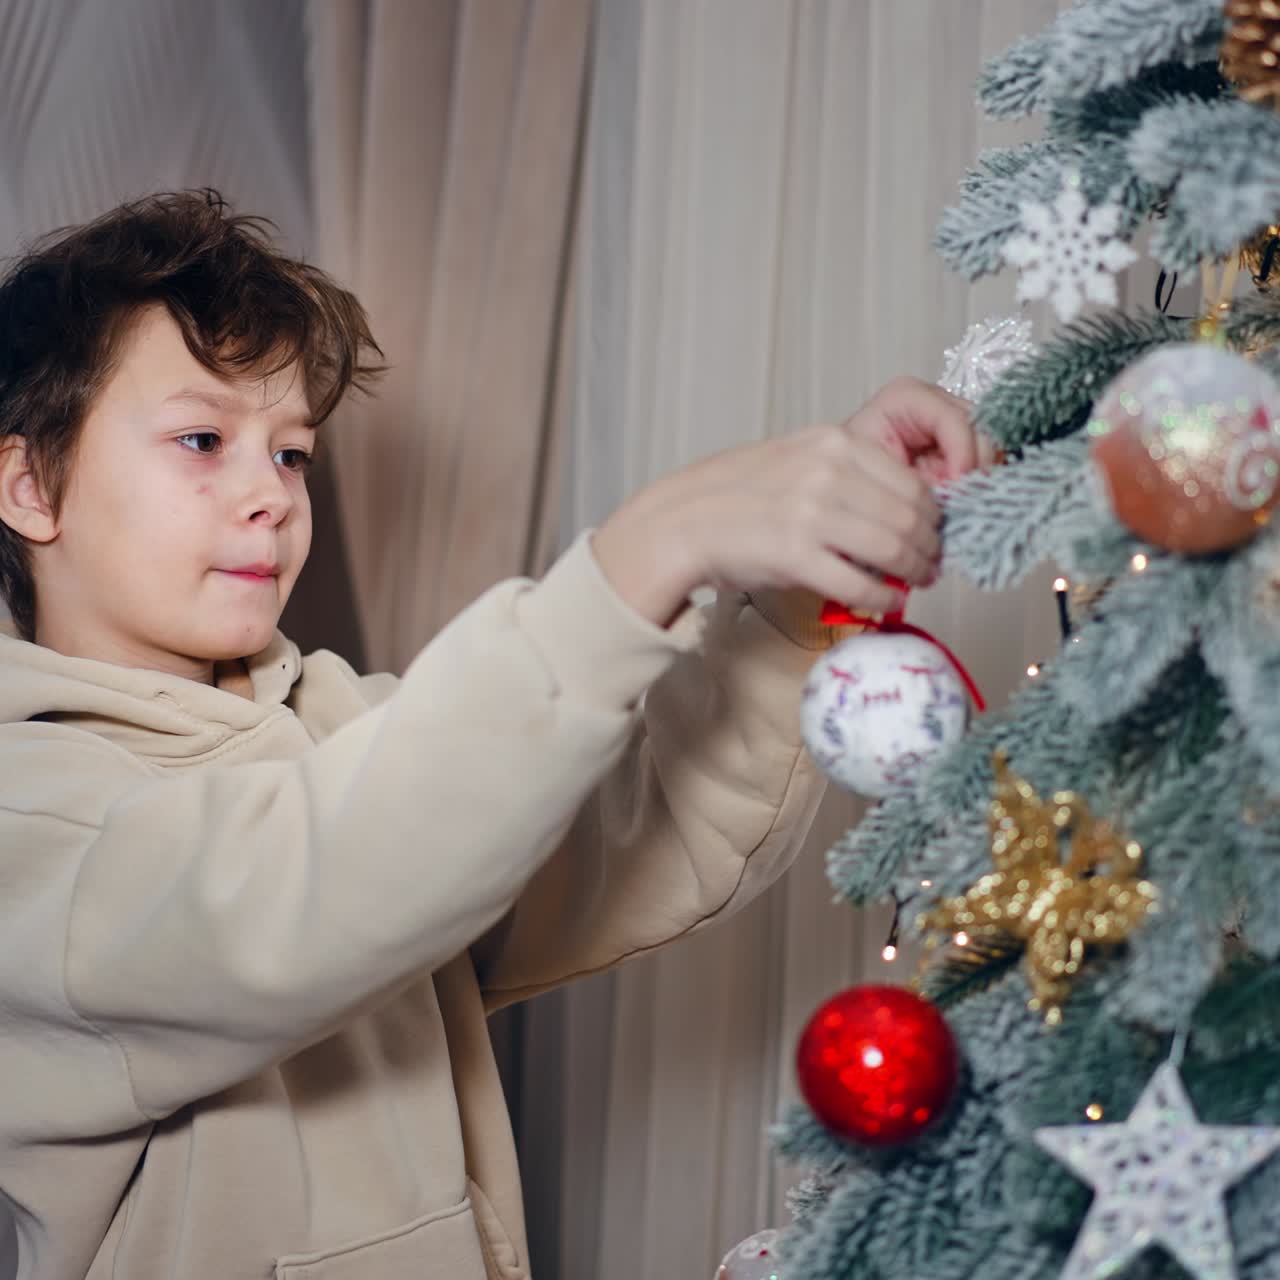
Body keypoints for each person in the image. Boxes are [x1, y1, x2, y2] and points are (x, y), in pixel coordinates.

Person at [0, 191, 985, 1280]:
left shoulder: (340, 721)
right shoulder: (25, 812)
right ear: (30, 485)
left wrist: (799, 593)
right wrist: (645, 549)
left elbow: (627, 841)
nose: (268, 496)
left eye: (292, 455)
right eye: (202, 438)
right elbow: (289, 893)